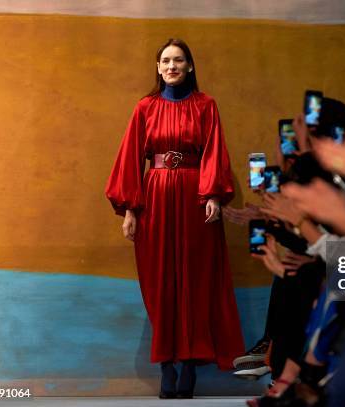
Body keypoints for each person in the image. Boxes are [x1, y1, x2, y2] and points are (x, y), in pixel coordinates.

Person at [105, 38, 244, 399]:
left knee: (196, 280)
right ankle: (167, 362)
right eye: (166, 60)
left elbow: (216, 151)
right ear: (158, 67)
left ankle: (189, 364)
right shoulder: (145, 108)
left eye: (179, 60)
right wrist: (131, 210)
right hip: (155, 199)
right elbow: (130, 160)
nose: (172, 66)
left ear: (190, 66)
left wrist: (213, 193)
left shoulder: (205, 105)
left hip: (195, 198)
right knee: (160, 281)